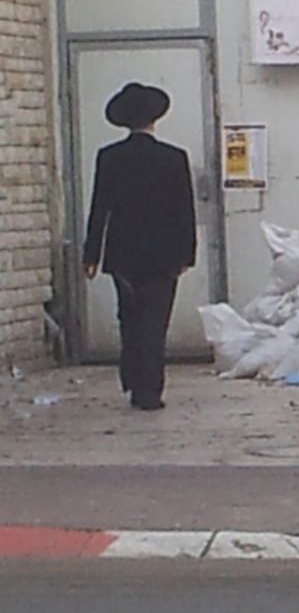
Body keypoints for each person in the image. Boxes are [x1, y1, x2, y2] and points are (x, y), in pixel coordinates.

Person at [82, 82, 197, 412]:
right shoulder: (174, 157)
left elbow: (99, 208)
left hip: (123, 256)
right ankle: (149, 392)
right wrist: (187, 254)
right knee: (154, 322)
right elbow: (184, 209)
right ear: (154, 119)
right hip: (164, 257)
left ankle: (132, 377)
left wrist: (91, 254)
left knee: (129, 319)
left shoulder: (109, 157)